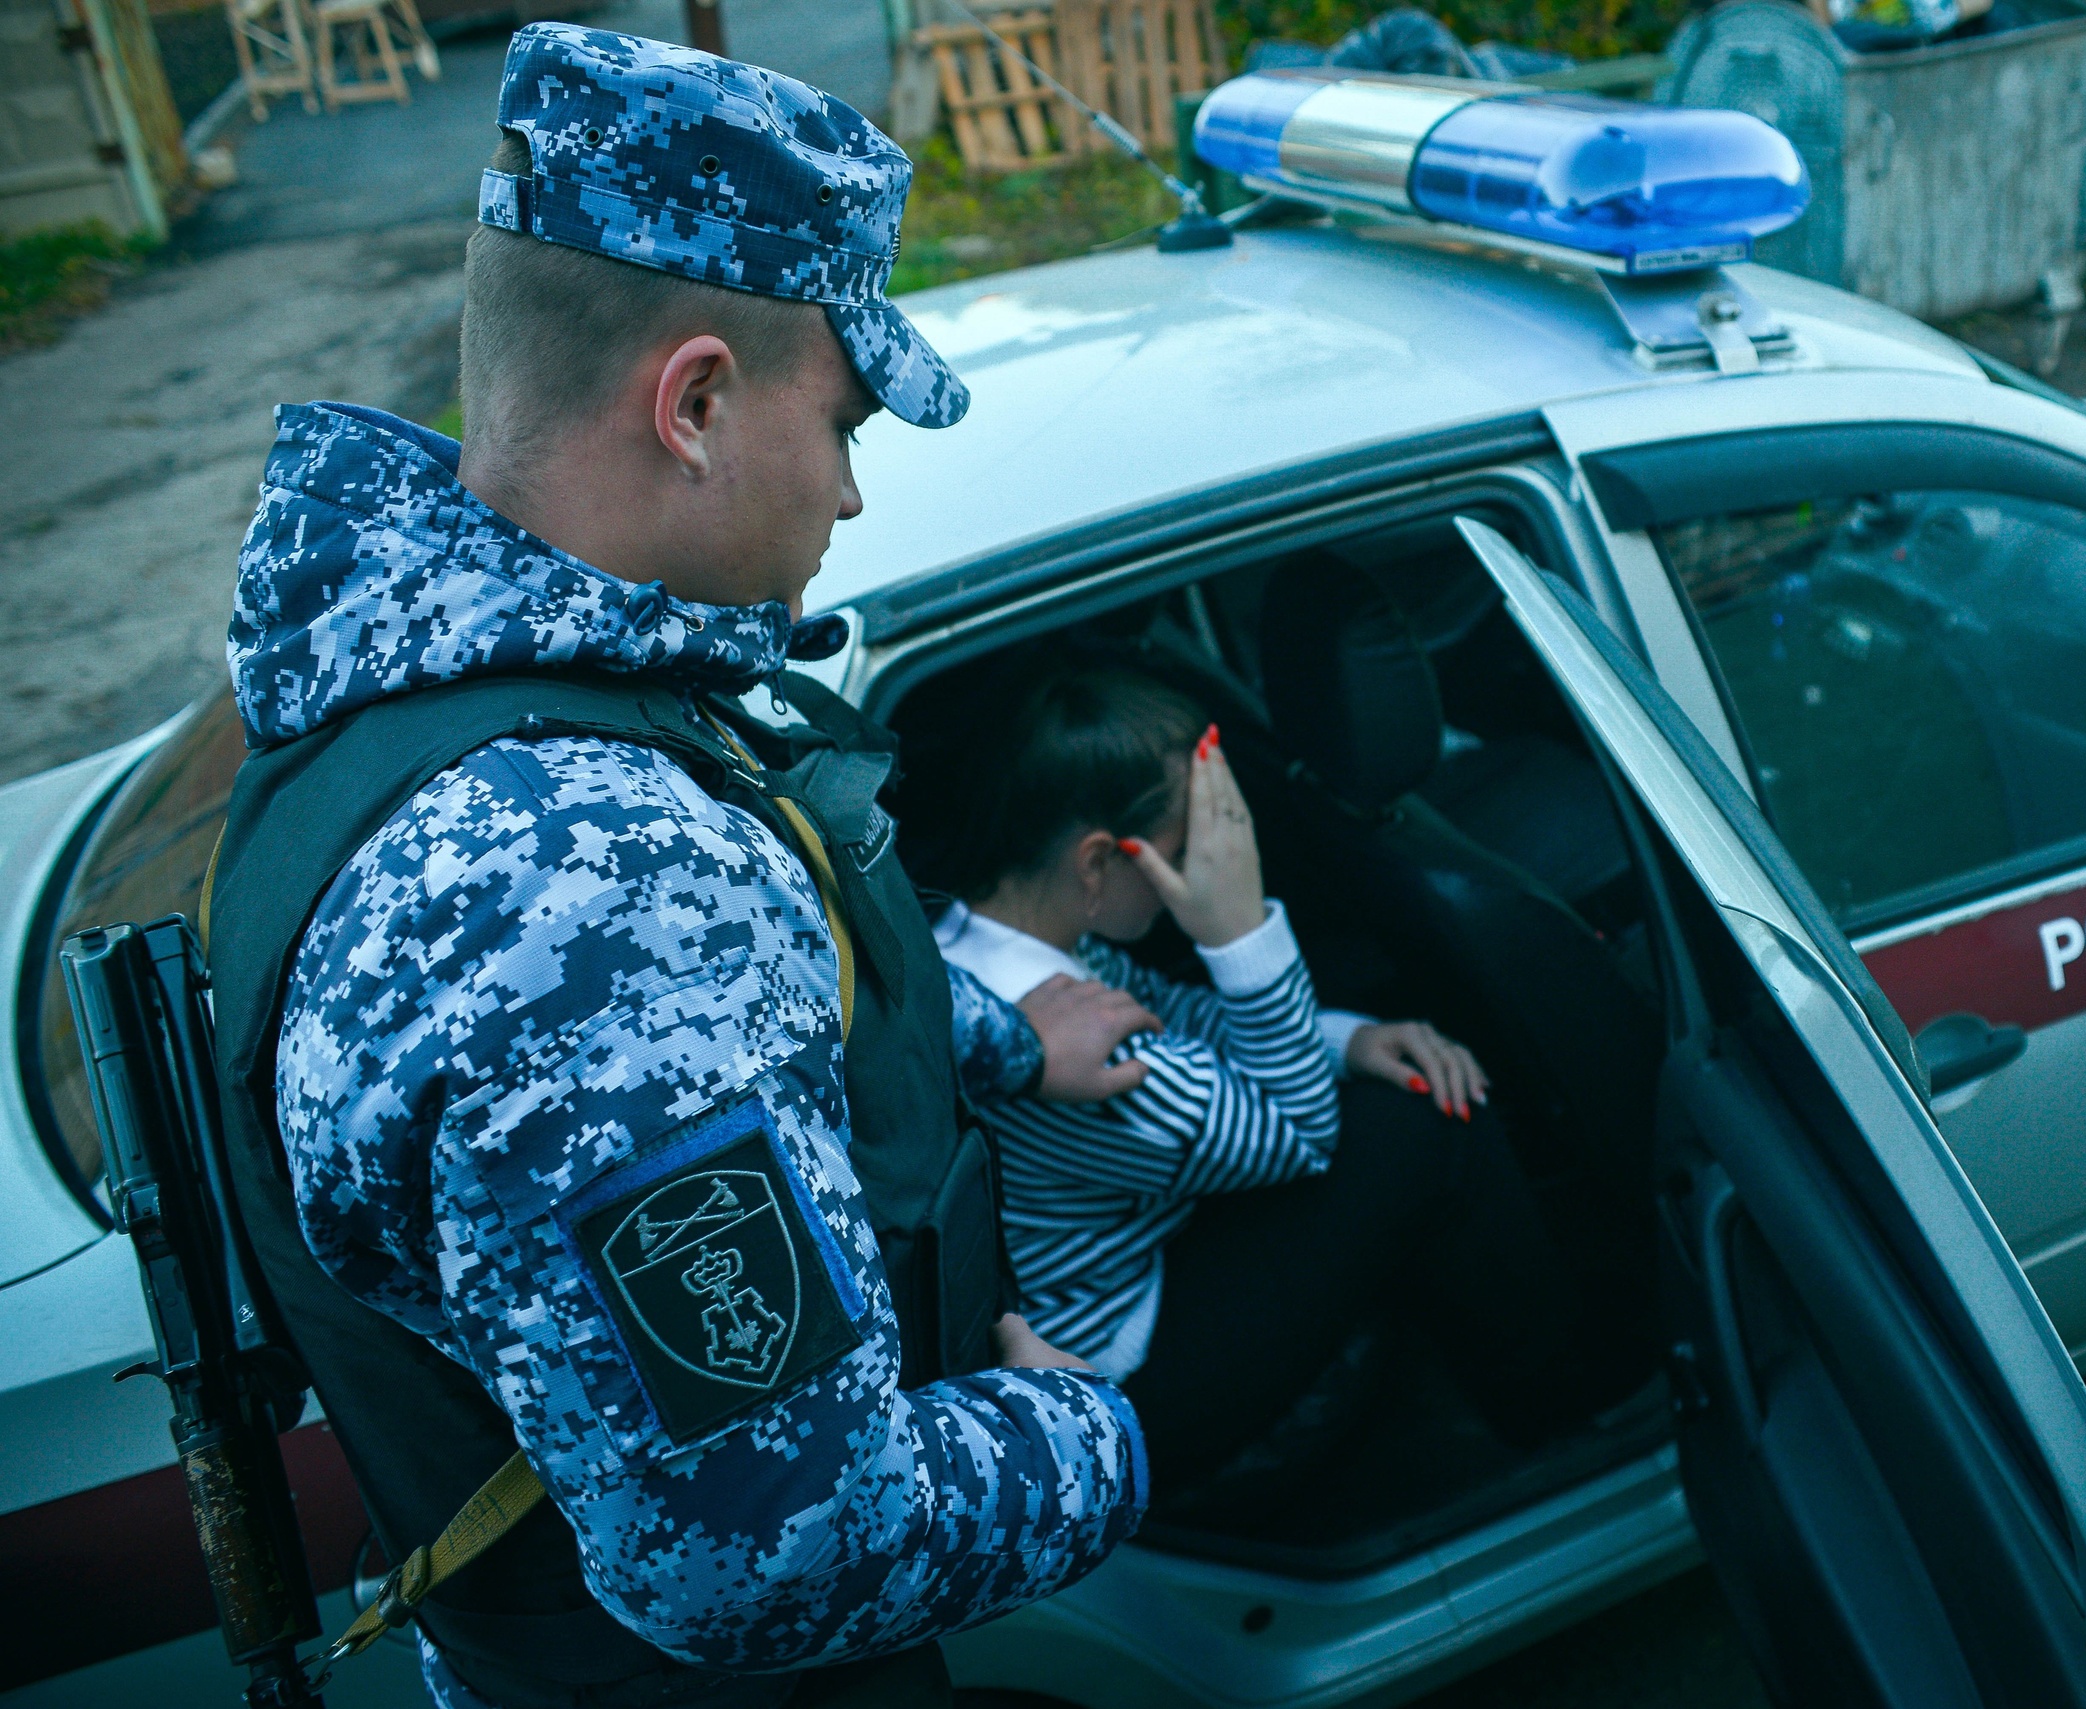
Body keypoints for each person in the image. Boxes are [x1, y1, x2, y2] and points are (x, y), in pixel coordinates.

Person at [203, 27, 1153, 1709]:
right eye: (846, 423)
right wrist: (1087, 1433)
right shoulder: (588, 887)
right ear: (697, 400)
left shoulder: (402, 703)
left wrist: (1001, 1039)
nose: (854, 494)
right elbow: (780, 1541)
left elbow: (683, 1085)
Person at [913, 664, 1609, 1493]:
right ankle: (1567, 1413)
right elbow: (1301, 1136)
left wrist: (1351, 1039)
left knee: (1387, 1100)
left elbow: (1180, 1016)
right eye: (1188, 850)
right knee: (1426, 1128)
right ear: (1096, 862)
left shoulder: (982, 942)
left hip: (1127, 1251)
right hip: (1131, 1368)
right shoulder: (1085, 1061)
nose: (1212, 863)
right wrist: (1238, 925)